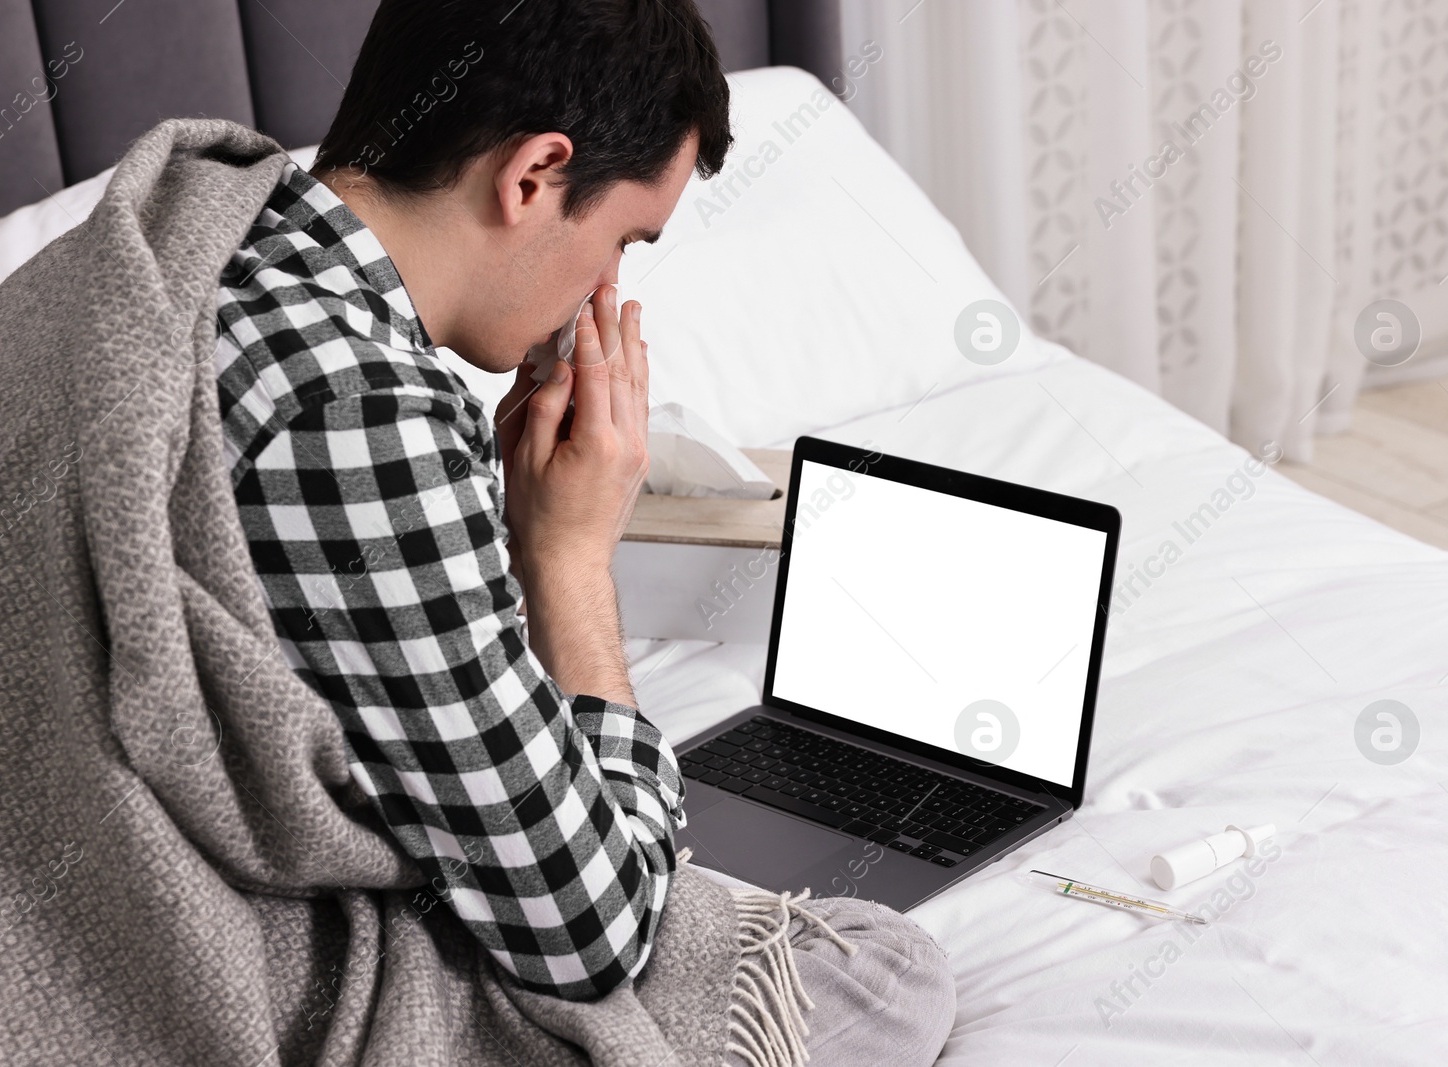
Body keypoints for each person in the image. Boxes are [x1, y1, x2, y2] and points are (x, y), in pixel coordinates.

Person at [212, 0, 955, 1061]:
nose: (608, 292)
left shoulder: (213, 244)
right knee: (882, 972)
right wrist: (566, 555)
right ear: (532, 176)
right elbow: (592, 934)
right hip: (259, 958)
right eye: (622, 240)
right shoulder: (360, 409)